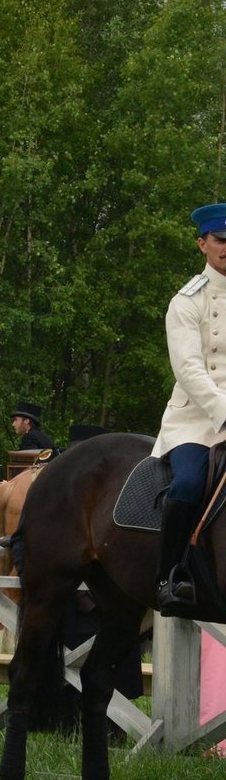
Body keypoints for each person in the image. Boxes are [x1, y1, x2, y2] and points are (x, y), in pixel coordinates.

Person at [155, 203, 226, 616]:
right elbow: (189, 369)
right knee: (187, 484)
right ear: (202, 244)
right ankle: (169, 577)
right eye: (220, 240)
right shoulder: (186, 301)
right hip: (197, 420)